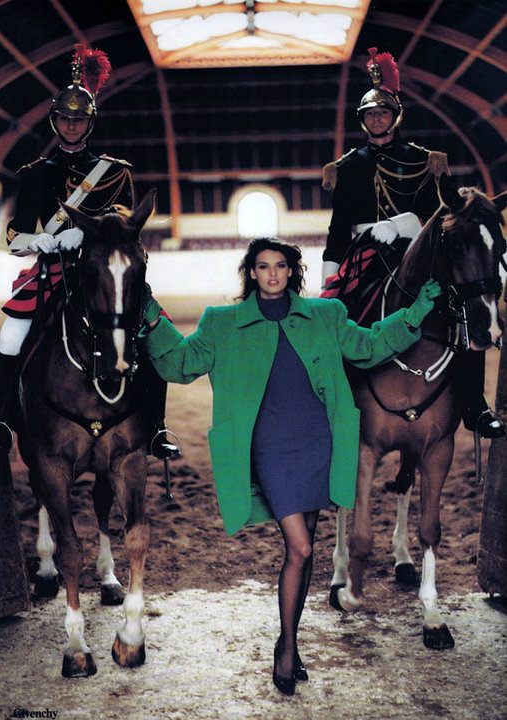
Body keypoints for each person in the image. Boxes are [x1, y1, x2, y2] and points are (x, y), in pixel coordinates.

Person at [139, 236, 441, 695]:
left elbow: (369, 346)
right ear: (251, 273)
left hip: (318, 444)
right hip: (269, 451)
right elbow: (179, 363)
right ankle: (287, 646)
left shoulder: (326, 314)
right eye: (263, 266)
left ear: (292, 272)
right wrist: (151, 317)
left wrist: (414, 314)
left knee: (306, 547)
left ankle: (290, 642)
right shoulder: (222, 323)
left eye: (280, 266)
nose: (272, 274)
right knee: (299, 548)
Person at [0, 44, 179, 459]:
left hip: (104, 270)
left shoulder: (115, 172)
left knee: (149, 336)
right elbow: (15, 233)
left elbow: (126, 225)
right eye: (64, 119)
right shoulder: (34, 174)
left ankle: (157, 427)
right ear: (54, 121)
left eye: (79, 119)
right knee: (11, 339)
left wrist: (89, 236)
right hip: (51, 269)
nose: (71, 126)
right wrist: (37, 241)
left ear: (91, 122)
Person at [321, 47, 503, 439]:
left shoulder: (423, 160)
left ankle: (474, 405)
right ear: (363, 121)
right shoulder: (347, 166)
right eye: (370, 114)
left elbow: (436, 213)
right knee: (337, 322)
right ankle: (337, 402)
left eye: (383, 113)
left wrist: (401, 224)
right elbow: (338, 228)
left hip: (415, 249)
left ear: (396, 117)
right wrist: (330, 275)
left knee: (459, 312)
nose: (376, 119)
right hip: (365, 254)